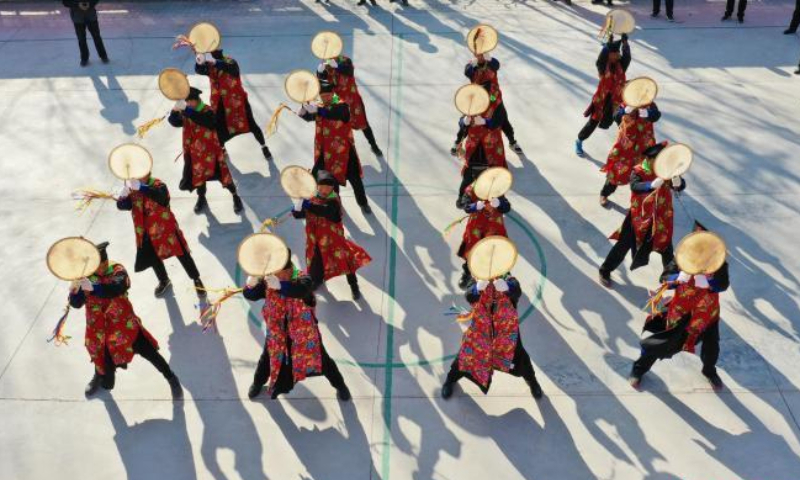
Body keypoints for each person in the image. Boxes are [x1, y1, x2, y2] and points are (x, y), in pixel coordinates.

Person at [68, 242, 183, 398]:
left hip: (125, 327)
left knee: (150, 353)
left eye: (102, 264)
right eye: (96, 266)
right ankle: (99, 376)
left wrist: (94, 287)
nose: (99, 269)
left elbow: (117, 287)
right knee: (101, 359)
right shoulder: (85, 277)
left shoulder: (117, 270)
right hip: (100, 331)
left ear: (105, 262)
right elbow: (76, 304)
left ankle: (171, 377)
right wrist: (74, 292)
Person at [243, 255, 351, 400]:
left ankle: (341, 386)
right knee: (267, 361)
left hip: (304, 335)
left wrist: (281, 286)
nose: (274, 275)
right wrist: (251, 285)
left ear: (287, 269)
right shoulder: (269, 281)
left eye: (277, 271)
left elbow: (301, 290)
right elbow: (251, 295)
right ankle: (257, 384)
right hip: (277, 334)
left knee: (324, 362)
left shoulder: (302, 279)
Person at [629, 251, 729, 390]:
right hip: (682, 313)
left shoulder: (718, 262)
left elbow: (723, 285)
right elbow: (664, 278)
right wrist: (678, 278)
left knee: (712, 348)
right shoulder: (681, 259)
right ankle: (638, 369)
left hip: (707, 315)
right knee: (663, 343)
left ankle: (709, 371)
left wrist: (708, 280)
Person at [441, 274, 543, 399]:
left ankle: (532, 382)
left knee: (521, 360)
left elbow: (516, 291)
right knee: (465, 358)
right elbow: (469, 295)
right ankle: (450, 380)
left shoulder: (508, 279)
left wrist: (507, 287)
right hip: (481, 332)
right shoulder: (476, 278)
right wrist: (477, 288)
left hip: (506, 334)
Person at [599, 142, 686, 288]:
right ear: (650, 160)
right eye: (659, 161)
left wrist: (678, 183)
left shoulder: (666, 171)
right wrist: (650, 185)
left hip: (661, 217)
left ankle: (670, 278)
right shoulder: (638, 171)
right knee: (623, 244)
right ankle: (605, 270)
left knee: (666, 248)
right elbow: (635, 186)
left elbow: (679, 186)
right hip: (638, 217)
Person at [116, 174, 205, 298]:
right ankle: (164, 280)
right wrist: (123, 196)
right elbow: (123, 206)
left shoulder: (158, 185)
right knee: (154, 258)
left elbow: (162, 197)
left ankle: (196, 278)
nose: (138, 177)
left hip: (166, 229)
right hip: (146, 232)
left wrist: (142, 187)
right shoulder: (133, 191)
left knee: (182, 253)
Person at [291, 170, 372, 300]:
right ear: (317, 186)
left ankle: (353, 285)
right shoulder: (312, 198)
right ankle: (317, 280)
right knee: (316, 261)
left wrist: (309, 205)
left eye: (328, 188)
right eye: (322, 187)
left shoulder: (334, 200)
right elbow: (301, 214)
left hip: (334, 240)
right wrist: (297, 208)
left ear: (332, 188)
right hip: (315, 239)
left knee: (345, 262)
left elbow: (326, 211)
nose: (324, 190)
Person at [298, 78, 372, 215]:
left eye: (328, 95)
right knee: (329, 182)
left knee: (355, 180)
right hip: (326, 152)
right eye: (323, 96)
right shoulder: (319, 107)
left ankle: (363, 203)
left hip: (344, 151)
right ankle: (335, 205)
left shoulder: (342, 106)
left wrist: (318, 111)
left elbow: (334, 113)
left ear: (333, 94)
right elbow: (310, 117)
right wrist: (303, 111)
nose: (325, 98)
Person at [168, 87, 243, 215]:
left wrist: (187, 110)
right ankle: (201, 197)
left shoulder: (207, 111)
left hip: (212, 154)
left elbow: (206, 121)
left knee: (224, 177)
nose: (188, 104)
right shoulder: (186, 112)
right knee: (199, 179)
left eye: (190, 101)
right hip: (196, 155)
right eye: (186, 102)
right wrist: (174, 111)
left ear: (196, 100)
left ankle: (235, 196)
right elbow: (174, 122)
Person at [194, 50, 273, 162]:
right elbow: (199, 70)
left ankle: (264, 146)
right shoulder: (209, 66)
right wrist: (199, 61)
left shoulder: (230, 61)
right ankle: (222, 149)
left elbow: (231, 69)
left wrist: (214, 62)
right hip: (219, 103)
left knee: (251, 125)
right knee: (219, 129)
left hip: (237, 101)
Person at [452, 52, 523, 156]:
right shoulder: (471, 65)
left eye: (482, 54)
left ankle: (512, 142)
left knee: (503, 120)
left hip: (494, 98)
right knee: (468, 119)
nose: (480, 56)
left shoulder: (491, 63)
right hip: (477, 98)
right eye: (477, 54)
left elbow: (496, 65)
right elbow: (467, 72)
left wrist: (489, 59)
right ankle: (457, 142)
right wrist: (473, 64)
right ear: (474, 54)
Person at [576, 35, 631, 157]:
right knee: (593, 123)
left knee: (623, 123)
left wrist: (625, 43)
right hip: (601, 100)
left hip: (617, 101)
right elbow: (601, 57)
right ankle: (579, 141)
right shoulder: (602, 66)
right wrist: (608, 45)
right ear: (609, 55)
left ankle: (627, 146)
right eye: (615, 53)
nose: (618, 55)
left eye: (618, 53)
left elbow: (627, 56)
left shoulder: (621, 65)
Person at [317, 56, 383, 157]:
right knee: (340, 127)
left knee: (363, 124)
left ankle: (373, 145)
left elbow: (349, 71)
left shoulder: (345, 60)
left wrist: (337, 66)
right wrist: (319, 72)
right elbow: (323, 82)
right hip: (338, 101)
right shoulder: (326, 66)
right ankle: (345, 153)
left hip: (353, 99)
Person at [599, 102, 661, 206]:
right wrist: (624, 111)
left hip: (644, 146)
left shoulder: (650, 105)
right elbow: (616, 117)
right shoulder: (626, 103)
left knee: (644, 173)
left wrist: (647, 113)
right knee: (616, 172)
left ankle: (642, 199)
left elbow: (656, 116)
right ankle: (604, 193)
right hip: (625, 146)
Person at [454, 84, 508, 197]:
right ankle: (462, 197)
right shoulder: (472, 106)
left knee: (493, 174)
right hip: (474, 146)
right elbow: (461, 122)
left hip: (492, 146)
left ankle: (497, 199)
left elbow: (499, 120)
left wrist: (485, 122)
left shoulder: (496, 105)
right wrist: (465, 121)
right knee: (469, 174)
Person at [455, 180, 511, 289]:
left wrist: (500, 204)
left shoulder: (497, 191)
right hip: (476, 228)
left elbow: (507, 207)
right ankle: (468, 273)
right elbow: (466, 206)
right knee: (472, 249)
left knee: (496, 249)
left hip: (494, 226)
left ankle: (502, 274)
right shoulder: (472, 190)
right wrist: (474, 206)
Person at [62, 0, 108, 67]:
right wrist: (78, 4)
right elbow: (65, 2)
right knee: (81, 39)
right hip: (77, 17)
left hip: (91, 15)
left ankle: (103, 56)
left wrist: (89, 4)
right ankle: (84, 58)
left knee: (96, 36)